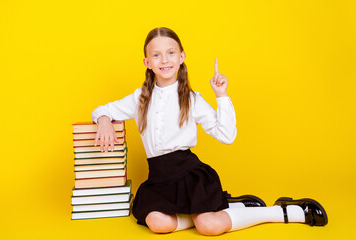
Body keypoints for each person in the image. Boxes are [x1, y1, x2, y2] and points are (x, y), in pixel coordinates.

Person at [91, 27, 328, 235]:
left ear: (182, 57)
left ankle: (282, 211)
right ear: (147, 62)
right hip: (159, 180)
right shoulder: (140, 98)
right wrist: (103, 119)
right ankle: (229, 206)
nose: (165, 59)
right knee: (157, 224)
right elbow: (103, 109)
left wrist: (221, 96)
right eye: (156, 54)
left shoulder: (192, 99)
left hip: (190, 177)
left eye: (171, 52)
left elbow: (226, 135)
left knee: (208, 227)